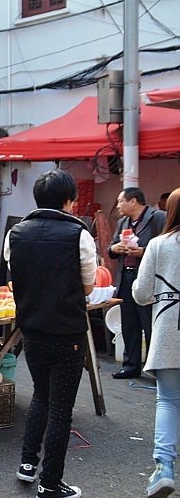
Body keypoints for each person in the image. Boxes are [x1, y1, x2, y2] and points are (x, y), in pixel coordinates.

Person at [5, 169, 96, 498]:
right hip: (67, 332)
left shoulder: (15, 233)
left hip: (31, 329)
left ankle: (28, 466)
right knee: (60, 409)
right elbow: (88, 285)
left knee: (41, 397)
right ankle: (50, 482)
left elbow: (17, 280)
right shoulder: (79, 234)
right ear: (69, 201)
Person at [132, 187, 180, 498]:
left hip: (169, 332)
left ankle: (164, 468)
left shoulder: (160, 244)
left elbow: (140, 293)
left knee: (169, 400)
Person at [107, 187, 167, 379]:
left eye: (120, 201)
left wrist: (144, 252)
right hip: (126, 276)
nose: (118, 206)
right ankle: (131, 365)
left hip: (148, 278)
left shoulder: (158, 218)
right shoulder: (123, 222)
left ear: (133, 201)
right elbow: (111, 248)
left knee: (150, 323)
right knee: (129, 323)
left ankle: (156, 369)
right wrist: (115, 248)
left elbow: (168, 245)